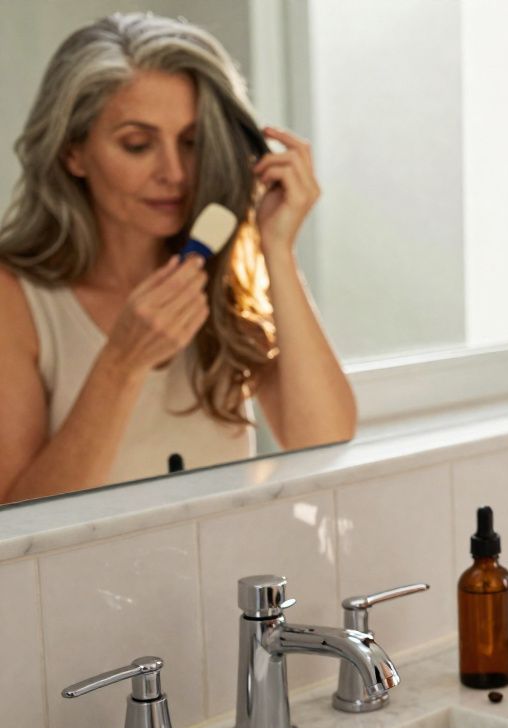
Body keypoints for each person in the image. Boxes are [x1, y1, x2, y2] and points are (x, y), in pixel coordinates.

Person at [0, 13, 356, 503]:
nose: (175, 172)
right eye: (137, 145)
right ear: (72, 152)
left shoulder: (226, 281)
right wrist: (122, 364)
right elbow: (16, 520)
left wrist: (276, 247)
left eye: (192, 143)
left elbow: (324, 444)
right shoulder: (16, 298)